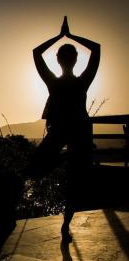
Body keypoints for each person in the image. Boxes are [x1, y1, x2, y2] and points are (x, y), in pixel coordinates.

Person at [31, 16, 100, 242]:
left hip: (65, 130)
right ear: (76, 59)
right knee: (74, 180)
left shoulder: (54, 82)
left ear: (59, 60)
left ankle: (65, 226)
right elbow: (97, 49)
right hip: (79, 130)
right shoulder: (82, 82)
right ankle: (65, 226)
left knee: (39, 168)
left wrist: (59, 36)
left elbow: (36, 53)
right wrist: (70, 36)